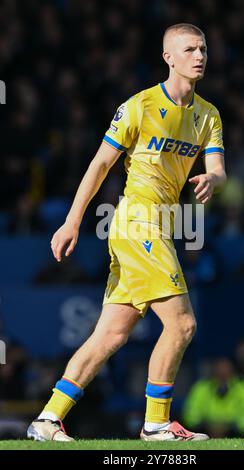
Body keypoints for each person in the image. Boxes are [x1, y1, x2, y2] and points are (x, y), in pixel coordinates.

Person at [27, 23, 226, 442]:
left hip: (161, 227)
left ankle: (47, 418)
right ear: (168, 57)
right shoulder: (138, 106)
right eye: (189, 49)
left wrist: (214, 179)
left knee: (112, 333)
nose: (199, 55)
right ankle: (156, 423)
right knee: (182, 325)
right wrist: (73, 220)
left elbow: (218, 168)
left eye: (203, 48)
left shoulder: (208, 114)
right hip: (137, 221)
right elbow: (100, 165)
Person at [182, 358, 244, 438]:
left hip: (236, 435)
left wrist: (230, 427)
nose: (222, 372)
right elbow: (190, 414)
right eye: (219, 369)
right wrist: (207, 426)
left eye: (226, 369)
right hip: (204, 434)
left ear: (233, 371)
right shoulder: (202, 387)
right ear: (214, 371)